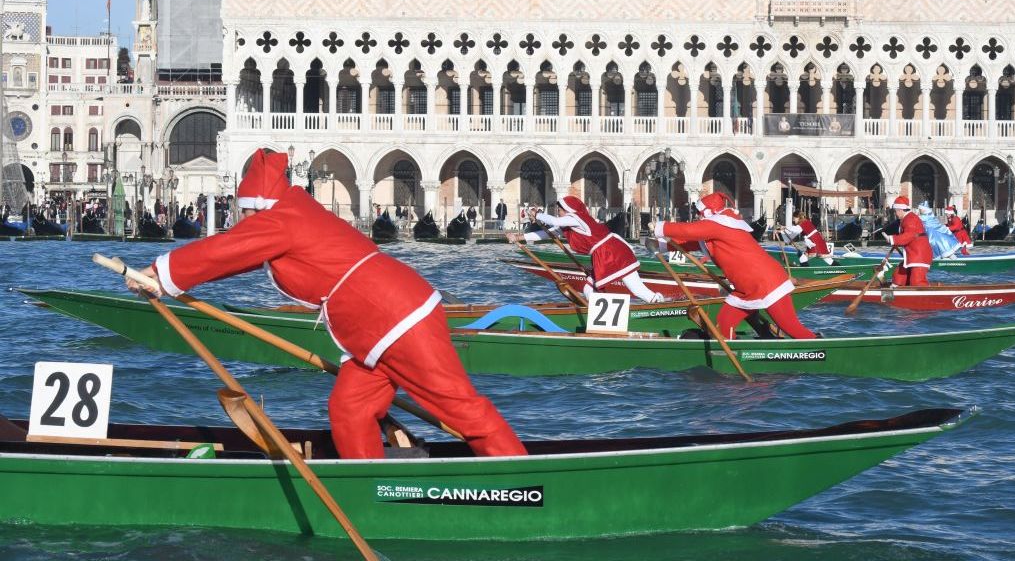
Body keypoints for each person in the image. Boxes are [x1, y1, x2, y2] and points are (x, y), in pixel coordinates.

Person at [125, 150, 526, 460]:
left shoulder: (282, 218)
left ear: (257, 206)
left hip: (396, 317)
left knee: (460, 408)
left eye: (242, 210)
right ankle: (367, 484)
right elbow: (236, 257)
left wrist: (160, 275)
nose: (239, 218)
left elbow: (226, 251)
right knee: (349, 408)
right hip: (372, 331)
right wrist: (169, 280)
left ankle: (524, 479)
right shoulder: (288, 215)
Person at [651, 192, 817, 340]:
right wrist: (660, 245)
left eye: (700, 213)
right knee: (724, 323)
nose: (698, 216)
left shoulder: (718, 224)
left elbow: (689, 231)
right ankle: (730, 353)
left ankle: (821, 348)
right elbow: (690, 242)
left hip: (766, 283)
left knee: (793, 329)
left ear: (709, 211)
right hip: (747, 289)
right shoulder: (718, 227)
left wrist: (661, 227)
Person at [506, 195, 665, 303]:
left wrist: (538, 215)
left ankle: (657, 303)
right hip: (603, 254)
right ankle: (602, 315)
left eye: (560, 210)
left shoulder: (577, 218)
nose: (558, 213)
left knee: (635, 288)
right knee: (589, 289)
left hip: (612, 252)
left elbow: (555, 221)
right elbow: (547, 233)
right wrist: (519, 238)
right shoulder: (569, 223)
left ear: (568, 210)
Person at [883, 196, 931, 286]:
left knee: (917, 280)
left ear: (900, 210)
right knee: (899, 275)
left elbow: (908, 236)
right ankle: (896, 289)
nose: (895, 214)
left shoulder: (911, 219)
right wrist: (892, 238)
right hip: (912, 254)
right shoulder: (906, 219)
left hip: (919, 255)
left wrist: (892, 239)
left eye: (896, 211)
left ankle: (921, 296)